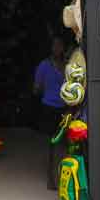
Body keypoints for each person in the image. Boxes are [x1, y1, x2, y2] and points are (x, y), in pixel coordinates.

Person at [34, 35, 67, 190]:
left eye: (60, 45)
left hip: (65, 108)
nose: (57, 48)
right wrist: (42, 88)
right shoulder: (44, 65)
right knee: (51, 145)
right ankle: (51, 179)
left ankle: (63, 177)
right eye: (55, 45)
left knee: (63, 145)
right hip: (49, 108)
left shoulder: (67, 65)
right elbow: (36, 88)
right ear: (51, 48)